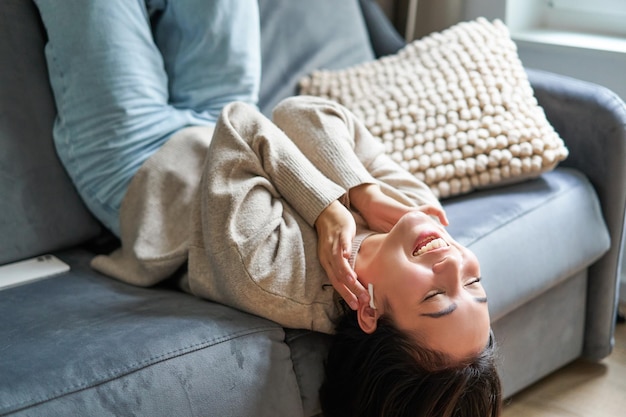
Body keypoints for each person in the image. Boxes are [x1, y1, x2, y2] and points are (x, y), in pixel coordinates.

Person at [34, 1, 502, 415]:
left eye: (436, 297)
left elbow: (241, 126)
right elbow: (301, 114)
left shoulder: (271, 276)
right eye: (474, 283)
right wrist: (359, 189)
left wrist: (327, 209)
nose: (452, 263)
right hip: (212, 115)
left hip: (137, 159)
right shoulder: (417, 213)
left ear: (370, 311)